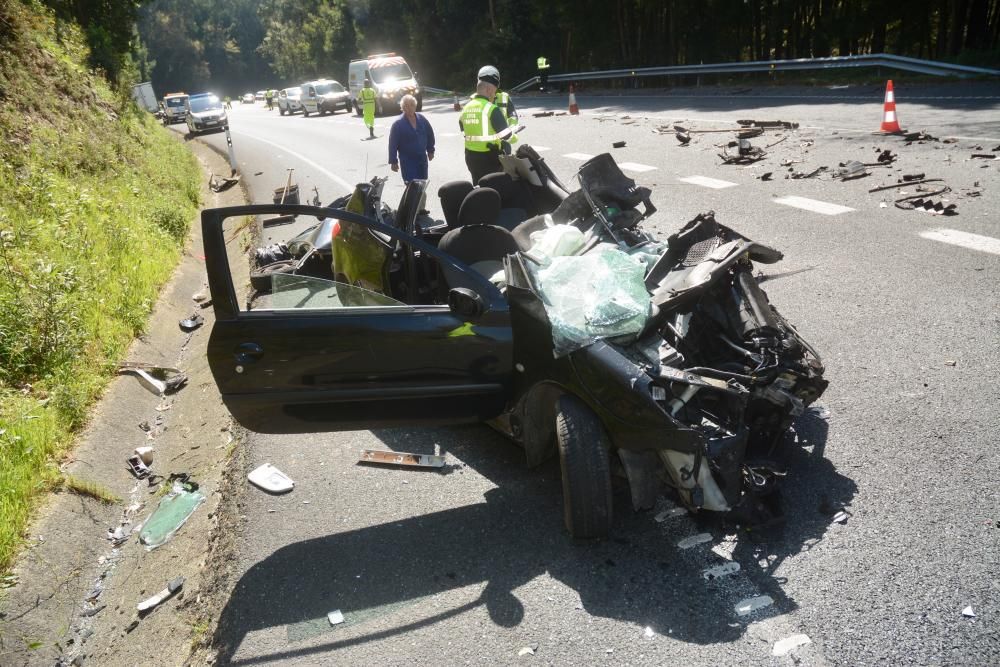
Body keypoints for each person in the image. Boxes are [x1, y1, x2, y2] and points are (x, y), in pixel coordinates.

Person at [459, 65, 515, 185]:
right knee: (494, 189)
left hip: (470, 156)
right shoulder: (491, 108)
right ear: (489, 89)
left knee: (478, 187)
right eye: (494, 90)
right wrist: (513, 135)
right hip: (490, 157)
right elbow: (506, 136)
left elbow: (463, 130)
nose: (495, 94)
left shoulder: (466, 107)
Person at [388, 94, 435, 184]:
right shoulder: (398, 124)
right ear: (402, 107)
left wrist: (430, 150)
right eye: (406, 105)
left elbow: (430, 134)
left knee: (422, 185)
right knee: (411, 187)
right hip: (408, 161)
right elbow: (392, 144)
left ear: (415, 106)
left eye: (412, 105)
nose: (409, 108)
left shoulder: (422, 119)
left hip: (422, 160)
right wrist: (393, 161)